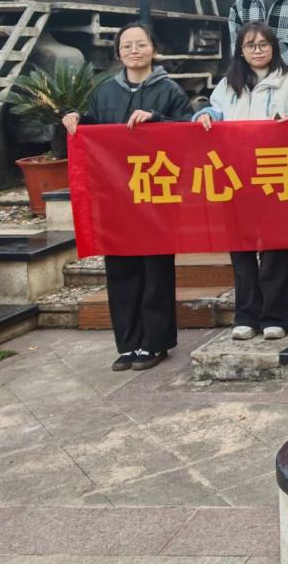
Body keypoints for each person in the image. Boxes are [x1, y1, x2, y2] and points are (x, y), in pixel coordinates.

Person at [61, 23, 192, 371]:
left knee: (155, 271)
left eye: (141, 44)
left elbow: (189, 130)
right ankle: (129, 343)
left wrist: (157, 120)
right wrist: (75, 119)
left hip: (156, 194)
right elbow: (89, 130)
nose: (134, 50)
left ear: (153, 49)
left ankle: (156, 342)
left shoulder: (169, 90)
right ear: (118, 53)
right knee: (120, 271)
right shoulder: (104, 92)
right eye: (127, 46)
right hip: (116, 197)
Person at [194, 23, 288, 341]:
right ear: (241, 51)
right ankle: (245, 315)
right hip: (235, 175)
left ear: (273, 48)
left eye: (263, 45)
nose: (257, 51)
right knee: (241, 250)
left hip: (273, 174)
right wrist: (206, 115)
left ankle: (275, 316)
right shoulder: (228, 84)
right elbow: (214, 111)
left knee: (274, 249)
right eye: (250, 46)